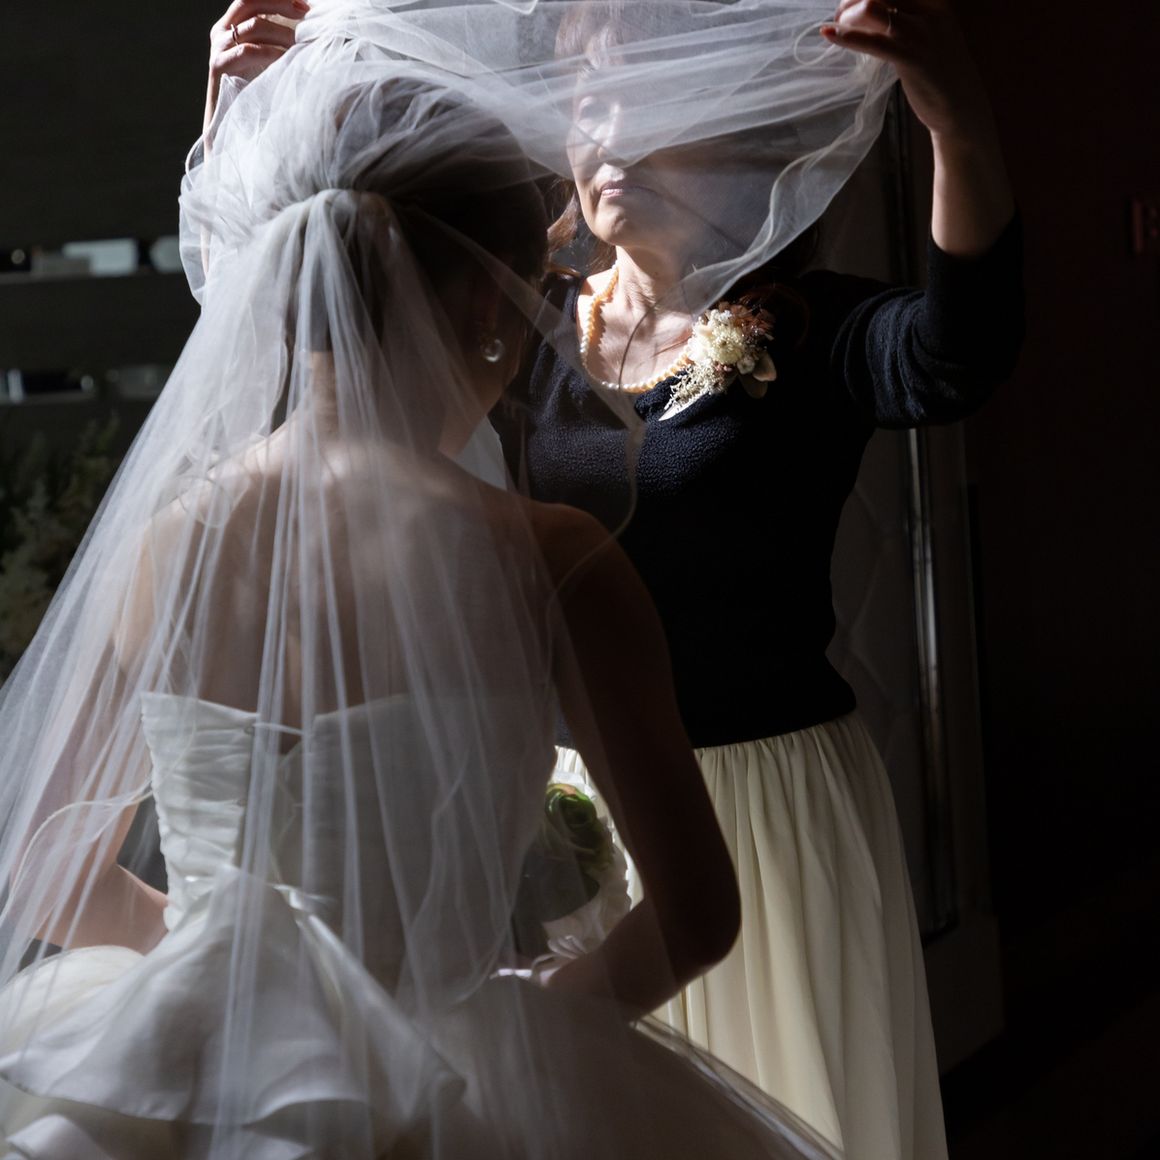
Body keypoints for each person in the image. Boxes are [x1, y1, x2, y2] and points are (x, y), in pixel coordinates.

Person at [0, 37, 846, 1160]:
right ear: (488, 302)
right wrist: (540, 1016)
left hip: (192, 1076)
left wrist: (231, 971)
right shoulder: (551, 557)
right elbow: (696, 916)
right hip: (462, 1084)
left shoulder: (167, 545)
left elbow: (46, 871)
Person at [203, 2, 1022, 1156]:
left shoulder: (817, 326)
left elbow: (954, 355)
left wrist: (955, 120)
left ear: (728, 117)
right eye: (584, 95)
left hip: (762, 803)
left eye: (640, 88)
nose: (607, 129)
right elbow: (318, 334)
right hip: (565, 804)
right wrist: (242, 114)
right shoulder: (516, 320)